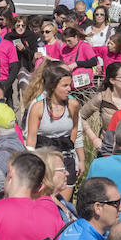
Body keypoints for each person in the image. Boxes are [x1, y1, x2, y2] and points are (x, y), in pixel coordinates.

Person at [25, 63, 82, 200]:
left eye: (70, 85)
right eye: (65, 86)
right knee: (45, 201)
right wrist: (30, 163)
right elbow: (31, 139)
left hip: (66, 158)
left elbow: (75, 128)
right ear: (53, 86)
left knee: (63, 204)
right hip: (45, 160)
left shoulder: (73, 105)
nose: (69, 89)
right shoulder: (38, 107)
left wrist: (77, 155)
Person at [81, 61, 121, 149]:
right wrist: (94, 139)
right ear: (112, 80)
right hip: (108, 149)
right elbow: (80, 116)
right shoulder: (102, 98)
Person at [35, 148, 78, 223]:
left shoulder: (61, 201)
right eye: (62, 170)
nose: (67, 173)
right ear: (48, 174)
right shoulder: (44, 209)